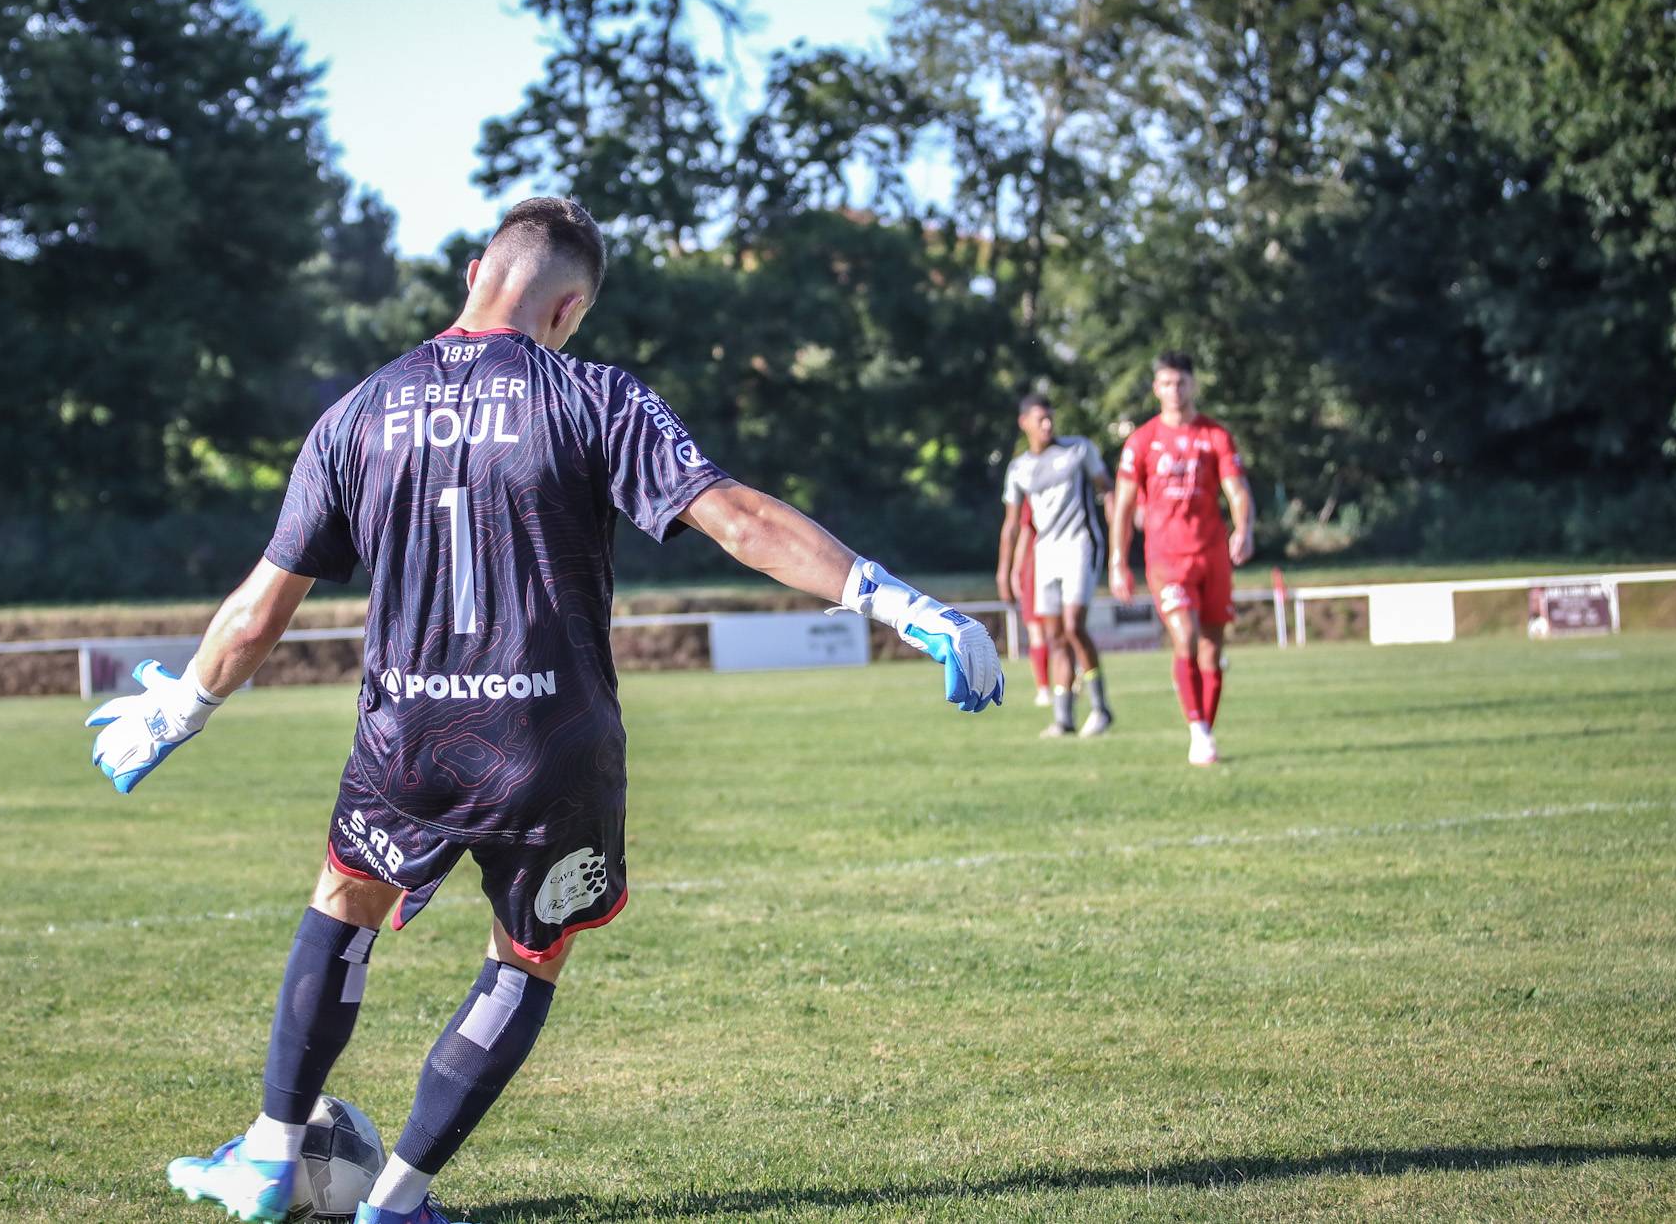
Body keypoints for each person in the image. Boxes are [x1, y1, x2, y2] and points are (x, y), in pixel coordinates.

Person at [84, 197, 1004, 1224]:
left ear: (474, 273)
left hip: (408, 739)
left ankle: (267, 1153)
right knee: (527, 956)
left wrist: (181, 709)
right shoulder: (592, 395)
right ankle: (396, 1201)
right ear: (567, 310)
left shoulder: (358, 411)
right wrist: (901, 604)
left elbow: (262, 607)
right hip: (553, 746)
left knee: (344, 902)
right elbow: (739, 521)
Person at [1109, 352, 1254, 766]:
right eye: (1167, 383)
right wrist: (1118, 560)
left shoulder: (1215, 435)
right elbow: (1123, 506)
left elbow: (1237, 490)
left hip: (1211, 554)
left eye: (1181, 383)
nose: (1175, 391)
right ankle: (1197, 730)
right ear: (1156, 388)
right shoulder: (1141, 441)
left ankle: (1205, 728)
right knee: (1185, 635)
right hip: (1166, 557)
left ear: (1193, 385)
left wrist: (1243, 528)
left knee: (1212, 649)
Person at [997, 393, 1113, 739]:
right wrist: (1004, 569)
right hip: (1045, 552)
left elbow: (1106, 488)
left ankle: (1100, 708)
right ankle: (1064, 719)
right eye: (1040, 419)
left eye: (1050, 418)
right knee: (1053, 637)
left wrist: (1120, 536)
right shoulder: (1019, 468)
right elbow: (1012, 524)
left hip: (1080, 544)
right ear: (1024, 424)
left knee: (1074, 626)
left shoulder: (1078, 450)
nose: (1047, 425)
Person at [1006, 499, 1052, 707]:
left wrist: (1016, 569)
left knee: (1037, 630)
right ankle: (1069, 680)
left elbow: (1026, 530)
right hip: (1066, 558)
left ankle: (1044, 689)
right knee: (1063, 629)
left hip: (1037, 564)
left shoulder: (1033, 490)